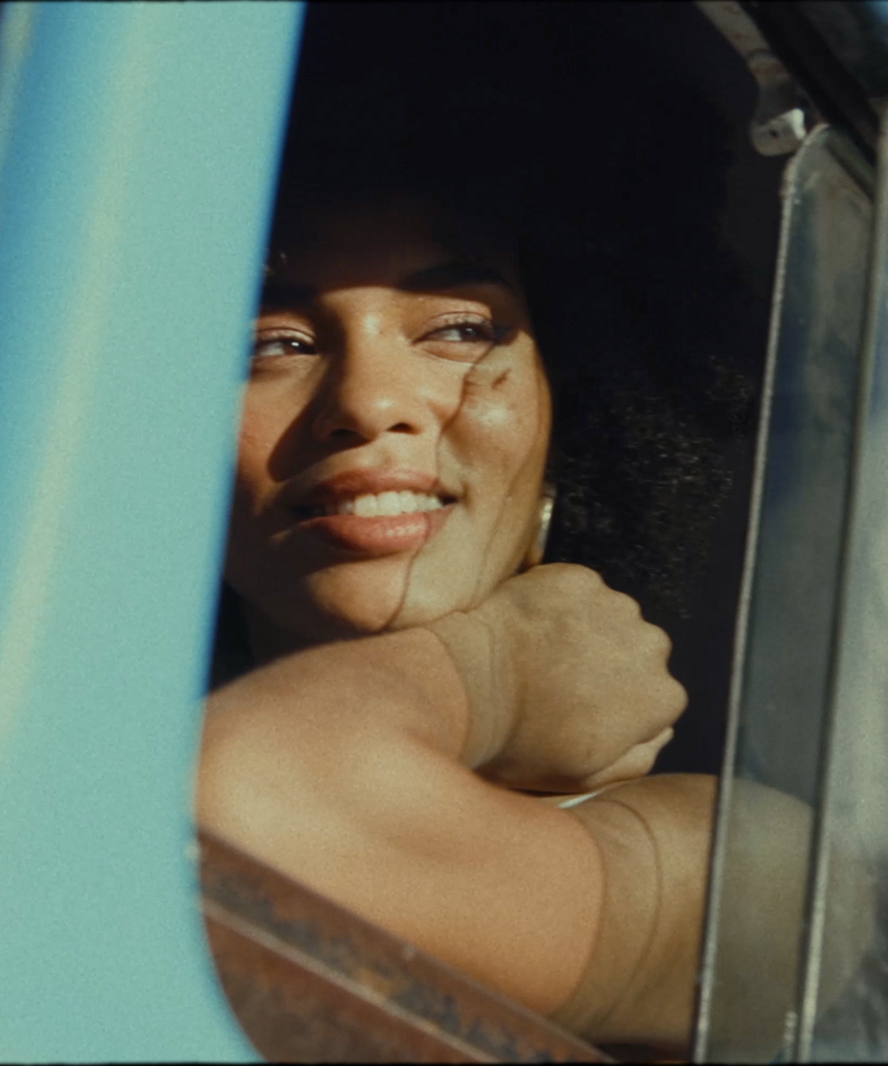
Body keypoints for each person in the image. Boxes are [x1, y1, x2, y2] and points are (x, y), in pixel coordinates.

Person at [194, 179, 721, 1051]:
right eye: (274, 343)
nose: (369, 405)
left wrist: (493, 670)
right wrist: (494, 665)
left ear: (574, 403)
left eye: (459, 330)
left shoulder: (742, 864)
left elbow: (252, 811)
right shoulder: (51, 751)